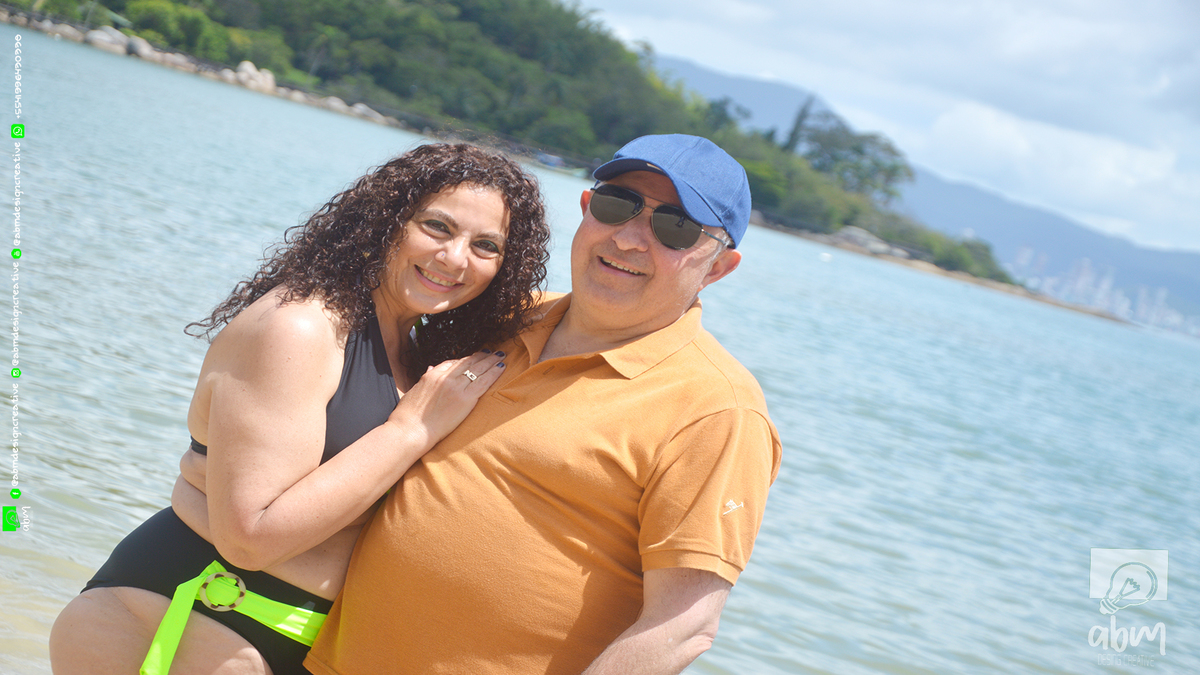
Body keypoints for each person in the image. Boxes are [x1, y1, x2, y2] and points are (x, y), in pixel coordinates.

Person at [49, 143, 551, 675]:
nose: (455, 258)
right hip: (189, 614)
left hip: (296, 636)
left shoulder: (415, 352)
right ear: (386, 220)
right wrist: (410, 430)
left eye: (486, 246)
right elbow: (248, 537)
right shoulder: (301, 328)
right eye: (437, 227)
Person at [305, 134, 783, 675]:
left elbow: (681, 627)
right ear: (586, 207)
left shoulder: (720, 410)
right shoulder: (501, 315)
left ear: (718, 267)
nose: (630, 239)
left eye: (676, 228)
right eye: (618, 205)